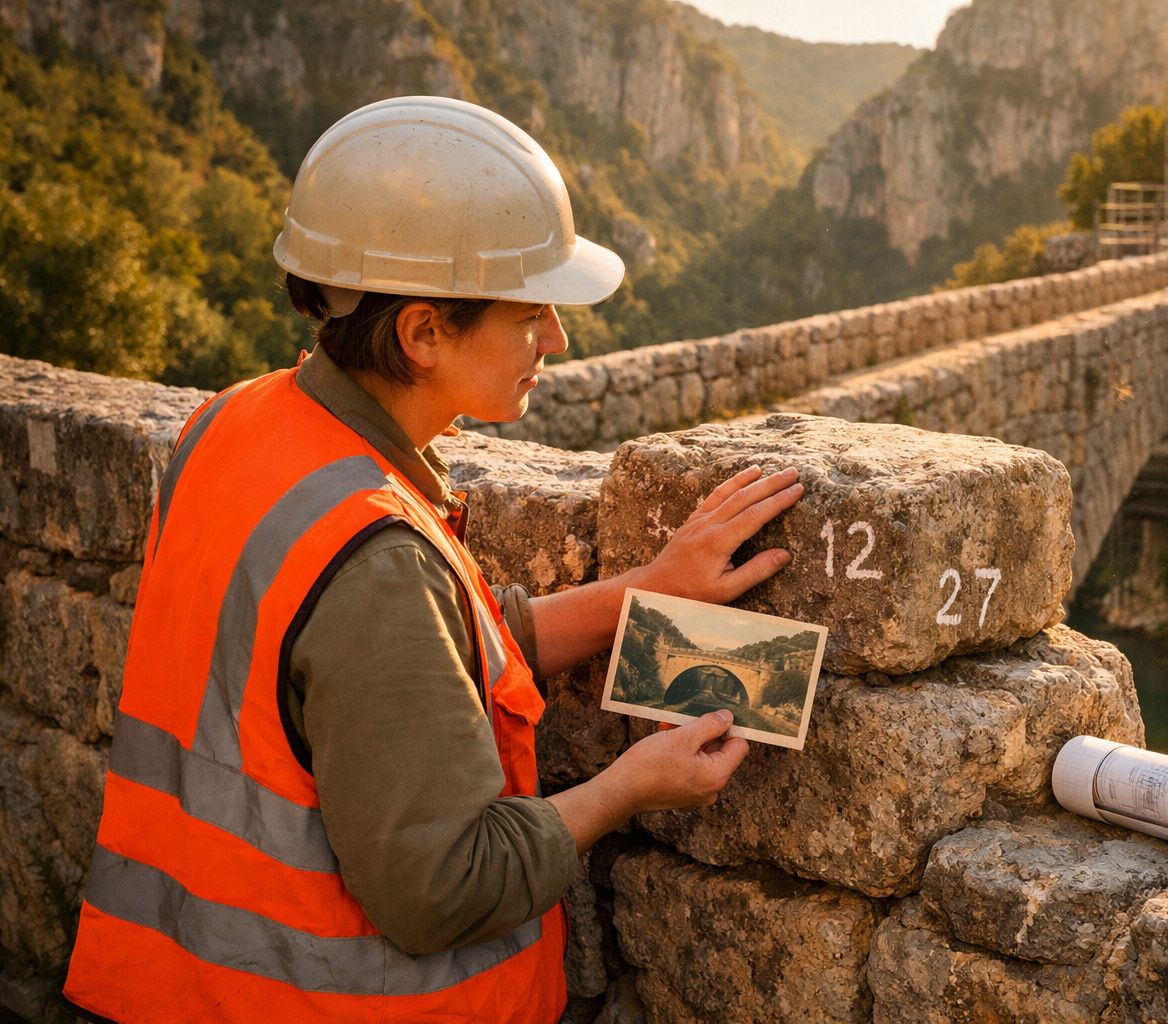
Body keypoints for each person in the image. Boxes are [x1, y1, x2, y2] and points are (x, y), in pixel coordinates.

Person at [62, 96, 803, 1023]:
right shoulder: (372, 554)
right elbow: (445, 884)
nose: (557, 341)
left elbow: (433, 656)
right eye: (532, 311)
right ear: (421, 332)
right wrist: (631, 786)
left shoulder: (236, 424)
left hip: (169, 982)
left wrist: (647, 590)